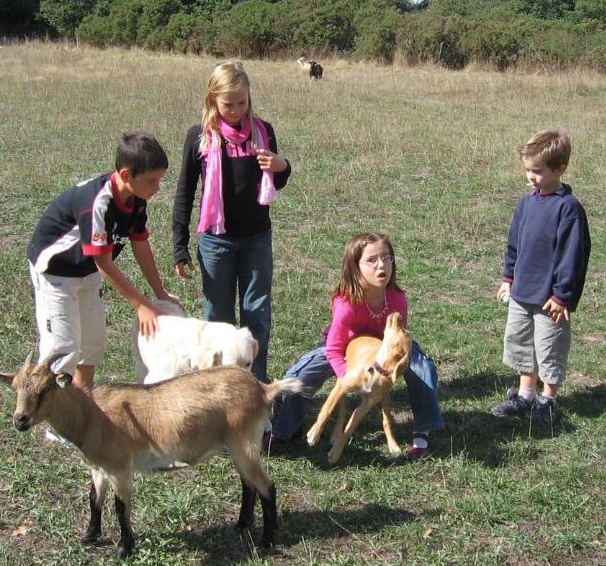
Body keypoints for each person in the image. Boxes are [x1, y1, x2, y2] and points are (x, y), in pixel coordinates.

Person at [270, 232, 444, 460]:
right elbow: (333, 349)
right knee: (302, 375)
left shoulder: (397, 299)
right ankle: (283, 431)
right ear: (355, 267)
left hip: (382, 350)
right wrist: (349, 378)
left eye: (386, 257)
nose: (381, 265)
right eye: (371, 260)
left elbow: (396, 339)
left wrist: (387, 371)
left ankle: (423, 432)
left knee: (422, 367)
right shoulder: (346, 303)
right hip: (343, 350)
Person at [27, 131, 178, 391]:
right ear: (125, 176)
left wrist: (159, 292)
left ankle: (80, 407)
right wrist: (141, 305)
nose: (158, 188)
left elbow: (140, 245)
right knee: (62, 348)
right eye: (152, 181)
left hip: (87, 271)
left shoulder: (137, 199)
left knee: (91, 344)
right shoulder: (98, 203)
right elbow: (104, 263)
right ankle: (53, 422)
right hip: (57, 273)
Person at [172, 61, 291, 383]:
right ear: (212, 100)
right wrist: (179, 247)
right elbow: (184, 191)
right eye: (228, 104)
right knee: (218, 321)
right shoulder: (199, 137)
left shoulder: (263, 132)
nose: (236, 110)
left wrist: (282, 166)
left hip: (256, 238)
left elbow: (274, 184)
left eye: (242, 102)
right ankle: (219, 387)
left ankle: (256, 386)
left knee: (257, 315)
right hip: (216, 242)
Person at [491, 130, 591, 430]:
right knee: (521, 343)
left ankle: (548, 401)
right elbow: (515, 242)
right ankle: (525, 396)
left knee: (548, 347)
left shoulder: (568, 208)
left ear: (559, 169)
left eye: (537, 171)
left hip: (550, 299)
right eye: (527, 170)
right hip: (522, 292)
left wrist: (563, 295)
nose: (530, 176)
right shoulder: (526, 202)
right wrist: (509, 277)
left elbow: (573, 256)